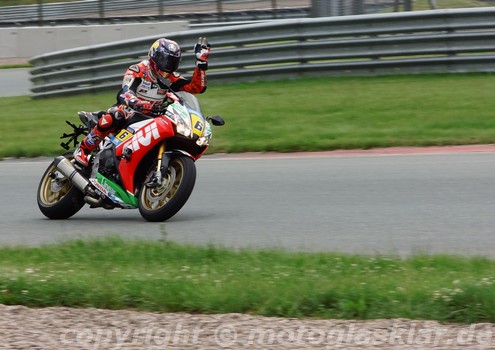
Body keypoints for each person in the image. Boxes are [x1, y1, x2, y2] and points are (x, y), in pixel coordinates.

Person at [73, 37, 211, 168]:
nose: (168, 66)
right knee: (116, 115)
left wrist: (202, 63)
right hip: (130, 113)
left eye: (172, 62)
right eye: (165, 60)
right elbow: (125, 93)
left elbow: (196, 87)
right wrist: (139, 104)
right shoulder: (138, 70)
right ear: (154, 57)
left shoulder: (171, 79)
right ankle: (83, 149)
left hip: (155, 119)